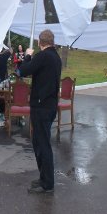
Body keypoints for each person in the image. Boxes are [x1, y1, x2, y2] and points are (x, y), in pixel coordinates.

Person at [17, 29, 62, 195]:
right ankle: (44, 178)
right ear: (52, 41)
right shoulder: (56, 57)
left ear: (39, 42)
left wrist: (27, 56)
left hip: (41, 107)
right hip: (49, 105)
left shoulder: (43, 56)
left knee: (42, 145)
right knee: (40, 143)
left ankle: (47, 184)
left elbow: (21, 71)